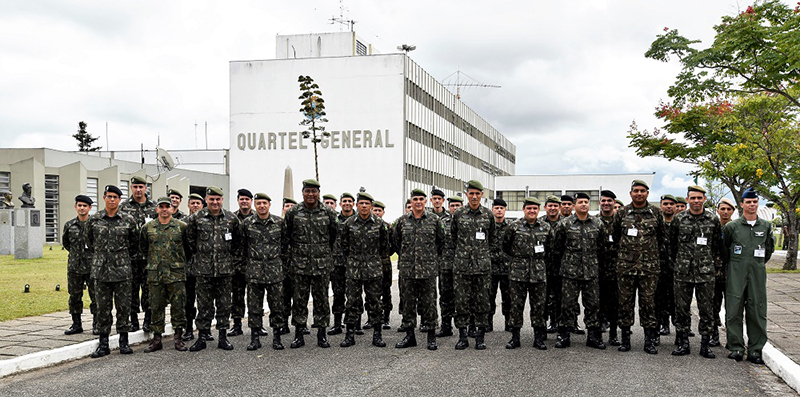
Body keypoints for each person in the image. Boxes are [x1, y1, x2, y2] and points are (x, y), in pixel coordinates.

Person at [613, 179, 666, 354]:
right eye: (636, 191)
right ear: (630, 194)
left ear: (647, 194)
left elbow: (661, 238)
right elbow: (615, 236)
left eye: (642, 191)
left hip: (649, 269)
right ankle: (625, 340)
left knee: (648, 303)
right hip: (626, 268)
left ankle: (649, 341)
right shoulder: (622, 213)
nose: (639, 193)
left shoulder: (656, 213)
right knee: (625, 303)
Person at [283, 179, 338, 348]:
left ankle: (322, 334)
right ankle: (299, 334)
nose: (311, 194)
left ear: (318, 193)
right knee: (299, 300)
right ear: (303, 192)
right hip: (300, 264)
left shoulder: (328, 212)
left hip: (321, 265)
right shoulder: (293, 212)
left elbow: (333, 236)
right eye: (307, 191)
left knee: (321, 300)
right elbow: (288, 237)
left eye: (314, 191)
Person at [669, 186, 722, 359]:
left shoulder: (713, 219)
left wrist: (712, 265)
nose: (696, 201)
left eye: (699, 198)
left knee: (706, 309)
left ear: (704, 199)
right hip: (682, 272)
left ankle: (705, 345)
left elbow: (716, 247)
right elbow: (672, 245)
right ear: (687, 199)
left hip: (705, 271)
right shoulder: (679, 219)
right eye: (693, 198)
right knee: (681, 309)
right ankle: (683, 343)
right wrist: (677, 264)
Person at [185, 186, 240, 351]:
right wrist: (199, 260)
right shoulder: (196, 218)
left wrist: (232, 263)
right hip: (203, 271)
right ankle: (202, 337)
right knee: (204, 305)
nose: (215, 202)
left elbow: (237, 244)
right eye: (211, 199)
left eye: (218, 199)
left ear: (222, 200)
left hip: (225, 271)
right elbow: (190, 242)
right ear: (206, 200)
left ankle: (222, 338)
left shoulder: (231, 219)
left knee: (224, 305)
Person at [87, 185, 139, 358]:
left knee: (124, 307)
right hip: (101, 271)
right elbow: (90, 242)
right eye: (109, 196)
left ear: (119, 200)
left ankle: (123, 342)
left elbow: (134, 244)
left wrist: (120, 258)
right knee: (103, 308)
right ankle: (103, 344)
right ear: (103, 198)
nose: (112, 200)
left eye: (115, 197)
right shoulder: (94, 220)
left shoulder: (128, 220)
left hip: (122, 271)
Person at [723, 188, 773, 364]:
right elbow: (725, 249)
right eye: (748, 202)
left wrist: (756, 265)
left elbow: (769, 249)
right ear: (742, 204)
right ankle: (736, 347)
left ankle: (755, 349)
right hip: (736, 272)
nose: (752, 205)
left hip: (757, 273)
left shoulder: (766, 226)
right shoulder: (732, 227)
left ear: (757, 204)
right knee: (734, 309)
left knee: (757, 310)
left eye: (755, 202)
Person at [552, 193, 607, 350]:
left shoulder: (597, 224)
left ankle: (593, 336)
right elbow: (557, 248)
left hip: (591, 271)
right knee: (567, 304)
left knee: (593, 304)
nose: (584, 204)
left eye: (586, 202)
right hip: (570, 272)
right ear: (574, 205)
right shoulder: (565, 224)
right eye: (580, 202)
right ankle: (564, 335)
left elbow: (602, 248)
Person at [393, 189, 444, 350]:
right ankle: (409, 336)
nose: (418, 202)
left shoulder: (434, 220)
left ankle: (431, 337)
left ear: (426, 201)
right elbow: (396, 243)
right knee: (408, 304)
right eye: (415, 199)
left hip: (428, 270)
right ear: (411, 201)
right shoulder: (402, 221)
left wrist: (430, 259)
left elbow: (441, 242)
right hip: (408, 270)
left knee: (429, 304)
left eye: (421, 199)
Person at [340, 192, 390, 347]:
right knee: (352, 302)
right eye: (361, 203)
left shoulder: (379, 224)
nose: (363, 206)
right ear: (357, 205)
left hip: (373, 269)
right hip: (354, 269)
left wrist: (373, 259)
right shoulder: (349, 223)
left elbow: (385, 246)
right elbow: (344, 245)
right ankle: (349, 335)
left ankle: (377, 335)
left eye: (367, 204)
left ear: (371, 206)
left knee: (375, 302)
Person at [140, 197, 190, 353]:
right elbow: (143, 248)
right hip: (156, 274)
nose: (164, 209)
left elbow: (188, 249)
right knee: (156, 306)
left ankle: (178, 338)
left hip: (176, 274)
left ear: (172, 209)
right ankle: (156, 339)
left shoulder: (182, 227)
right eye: (161, 207)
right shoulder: (148, 228)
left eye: (167, 207)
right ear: (156, 209)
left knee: (178, 307)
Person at [451, 180, 496, 350]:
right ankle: (463, 336)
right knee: (461, 301)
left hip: (482, 267)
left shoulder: (488, 215)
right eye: (471, 193)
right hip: (462, 266)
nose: (475, 197)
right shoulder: (458, 214)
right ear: (467, 195)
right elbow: (453, 237)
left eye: (478, 193)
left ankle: (480, 337)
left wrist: (482, 255)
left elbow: (492, 240)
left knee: (482, 302)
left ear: (482, 195)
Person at [503, 197, 551, 350]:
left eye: (535, 209)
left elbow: (550, 247)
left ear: (539, 210)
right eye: (529, 208)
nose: (532, 211)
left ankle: (538, 338)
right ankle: (515, 338)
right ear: (524, 209)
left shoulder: (546, 227)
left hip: (538, 272)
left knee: (538, 306)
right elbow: (506, 245)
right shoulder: (514, 226)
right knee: (516, 306)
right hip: (518, 272)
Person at [241, 193, 286, 350]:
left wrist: (283, 267)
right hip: (254, 272)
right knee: (254, 307)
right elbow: (241, 247)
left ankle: (277, 338)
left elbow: (286, 246)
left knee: (277, 306)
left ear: (269, 205)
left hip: (275, 272)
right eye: (259, 203)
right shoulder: (247, 224)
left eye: (264, 203)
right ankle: (255, 338)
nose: (261, 206)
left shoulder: (279, 223)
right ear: (255, 204)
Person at [120, 176, 157, 333]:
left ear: (146, 188)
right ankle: (133, 319)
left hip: (150, 257)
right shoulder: (124, 207)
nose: (138, 189)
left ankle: (148, 319)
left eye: (141, 186)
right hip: (131, 257)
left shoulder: (154, 207)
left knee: (149, 289)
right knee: (131, 290)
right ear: (131, 188)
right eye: (135, 186)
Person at [62, 195, 97, 335]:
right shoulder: (69, 225)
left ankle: (97, 323)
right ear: (75, 207)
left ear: (90, 208)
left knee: (96, 296)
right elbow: (66, 244)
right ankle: (76, 324)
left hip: (92, 266)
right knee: (74, 296)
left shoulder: (95, 225)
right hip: (75, 267)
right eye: (79, 205)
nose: (82, 208)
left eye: (85, 206)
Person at [329, 192, 356, 336]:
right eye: (344, 201)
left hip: (354, 264)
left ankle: (355, 324)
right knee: (338, 294)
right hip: (337, 263)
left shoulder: (357, 219)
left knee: (354, 296)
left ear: (353, 203)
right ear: (340, 204)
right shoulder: (334, 220)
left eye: (349, 201)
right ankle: (337, 324)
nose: (347, 203)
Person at [229, 188, 255, 337]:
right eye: (241, 199)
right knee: (237, 296)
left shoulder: (258, 218)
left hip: (253, 264)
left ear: (251, 201)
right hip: (236, 264)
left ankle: (255, 325)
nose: (244, 201)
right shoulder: (231, 218)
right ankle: (237, 324)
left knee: (254, 297)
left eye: (247, 199)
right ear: (238, 201)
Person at [710, 198, 736, 347]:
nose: (725, 212)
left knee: (732, 308)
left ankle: (732, 338)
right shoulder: (713, 227)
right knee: (713, 305)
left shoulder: (737, 228)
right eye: (723, 209)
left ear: (733, 211)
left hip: (732, 274)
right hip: (714, 273)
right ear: (718, 210)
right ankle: (714, 335)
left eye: (729, 209)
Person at [436, 196, 461, 338]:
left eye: (457, 205)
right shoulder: (441, 222)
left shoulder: (466, 222)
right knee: (445, 297)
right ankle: (446, 326)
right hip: (445, 265)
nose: (455, 208)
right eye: (452, 205)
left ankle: (466, 327)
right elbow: (437, 241)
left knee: (464, 297)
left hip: (462, 266)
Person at [596, 190, 619, 345]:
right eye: (603, 201)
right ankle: (597, 333)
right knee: (597, 302)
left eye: (609, 201)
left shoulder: (620, 221)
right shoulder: (594, 221)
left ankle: (613, 334)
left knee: (615, 302)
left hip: (617, 268)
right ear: (600, 203)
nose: (606, 203)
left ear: (613, 203)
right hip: (597, 267)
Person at [182, 193, 204, 342]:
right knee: (188, 302)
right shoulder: (182, 223)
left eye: (198, 203)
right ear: (188, 205)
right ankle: (188, 329)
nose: (195, 205)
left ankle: (205, 330)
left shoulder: (208, 222)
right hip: (188, 269)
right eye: (193, 203)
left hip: (205, 269)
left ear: (202, 205)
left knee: (205, 302)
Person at [656, 194, 678, 341]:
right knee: (658, 300)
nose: (668, 206)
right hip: (659, 268)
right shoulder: (658, 223)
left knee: (677, 301)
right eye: (665, 204)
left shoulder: (681, 223)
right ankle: (658, 329)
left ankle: (680, 332)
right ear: (661, 206)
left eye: (671, 204)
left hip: (677, 269)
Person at [371, 201, 394, 329]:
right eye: (375, 210)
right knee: (372, 293)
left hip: (385, 264)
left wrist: (385, 254)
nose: (377, 213)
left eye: (380, 211)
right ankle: (372, 318)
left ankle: (386, 318)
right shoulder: (368, 225)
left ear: (383, 212)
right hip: (370, 264)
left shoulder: (388, 227)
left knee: (386, 291)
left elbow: (395, 244)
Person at [490, 198, 511, 332]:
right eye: (496, 208)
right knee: (488, 297)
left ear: (505, 210)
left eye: (501, 208)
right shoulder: (487, 226)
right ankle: (487, 322)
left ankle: (509, 322)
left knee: (508, 298)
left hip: (507, 268)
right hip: (490, 268)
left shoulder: (511, 227)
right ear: (492, 209)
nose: (499, 210)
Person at [543, 195, 562, 334]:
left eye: (555, 205)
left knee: (560, 298)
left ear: (559, 208)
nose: (553, 208)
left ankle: (559, 324)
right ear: (545, 208)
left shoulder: (566, 224)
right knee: (542, 299)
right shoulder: (539, 223)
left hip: (561, 267)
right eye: (550, 205)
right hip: (542, 268)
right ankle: (542, 326)